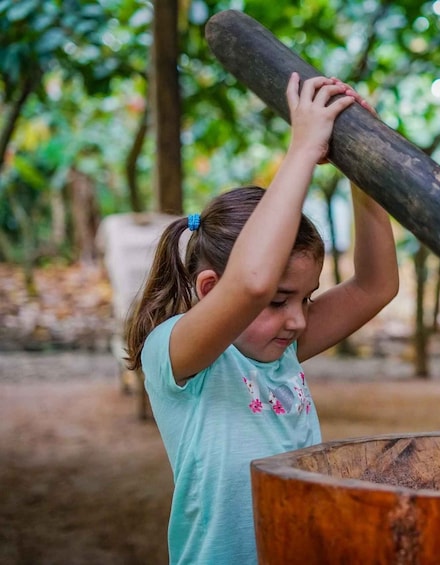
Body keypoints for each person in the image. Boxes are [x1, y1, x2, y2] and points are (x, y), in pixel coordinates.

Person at [124, 73, 399, 564]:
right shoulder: (178, 354)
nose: (296, 320)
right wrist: (302, 151)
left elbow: (375, 286)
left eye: (306, 300)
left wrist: (366, 169)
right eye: (279, 301)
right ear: (210, 289)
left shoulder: (280, 348)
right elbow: (251, 283)